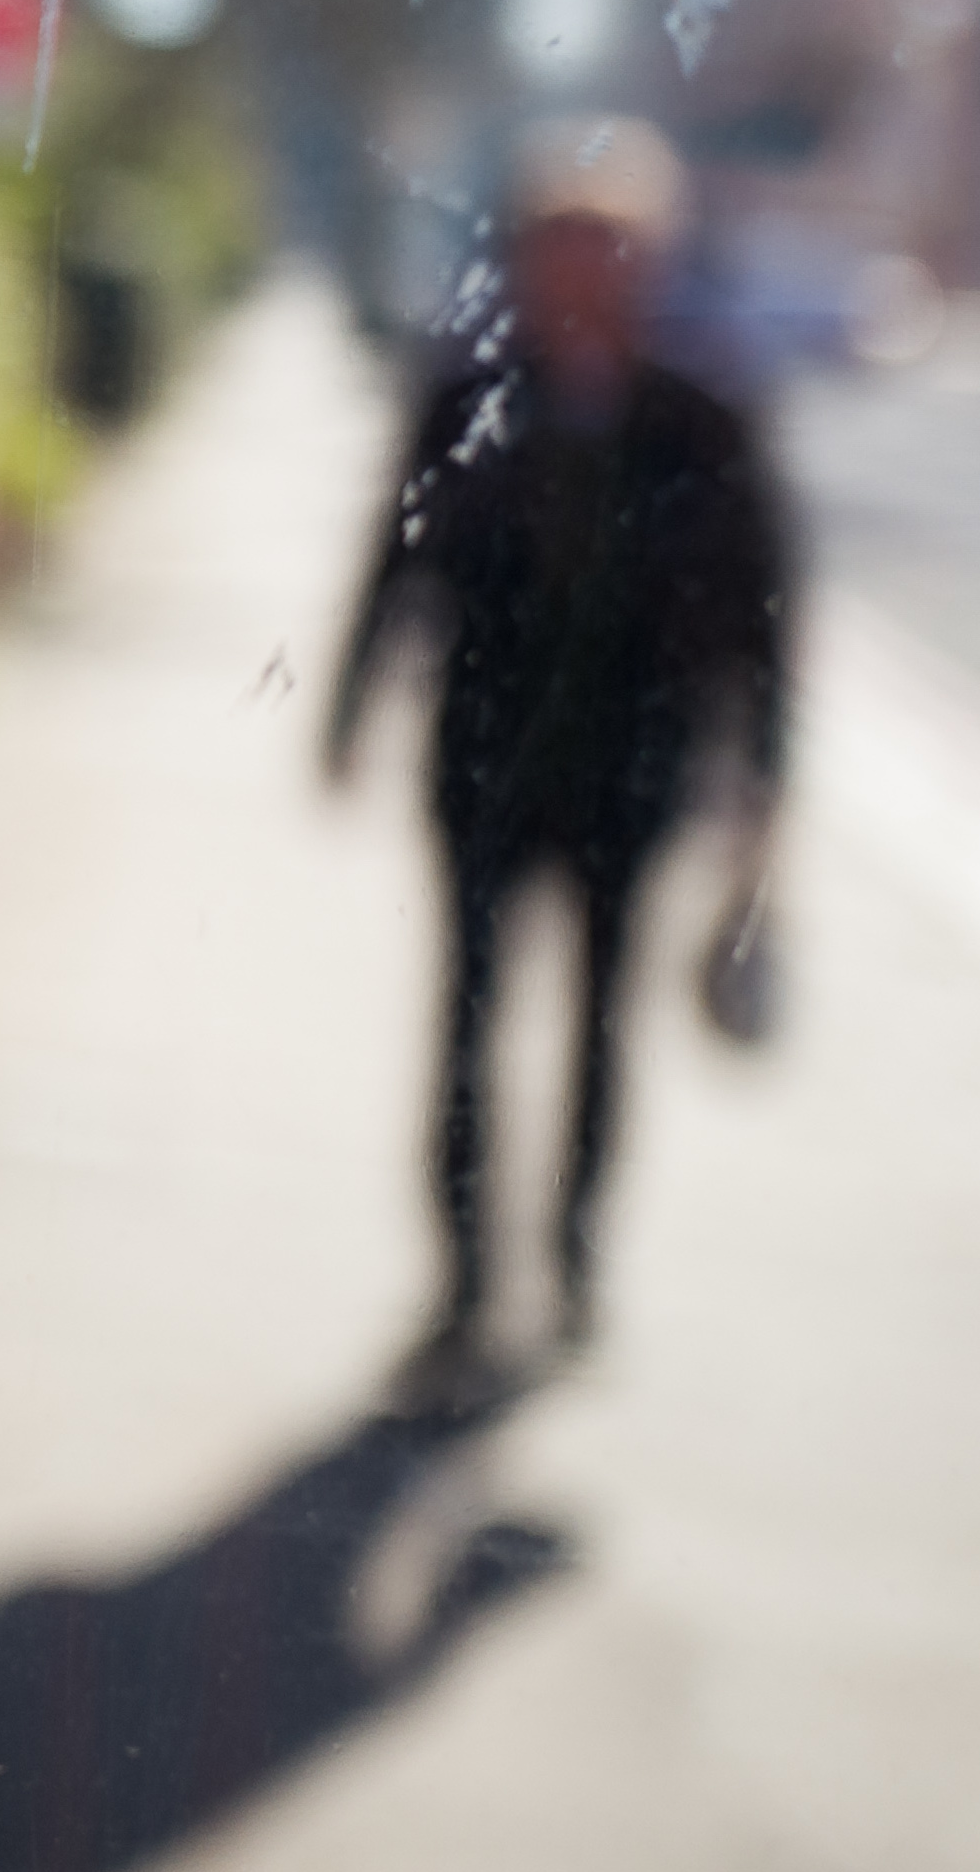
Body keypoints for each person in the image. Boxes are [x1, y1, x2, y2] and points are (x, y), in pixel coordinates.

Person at [326, 116, 791, 1387]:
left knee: (597, 1021)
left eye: (610, 245)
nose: (582, 272)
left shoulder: (704, 411)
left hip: (631, 774)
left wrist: (765, 775)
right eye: (559, 243)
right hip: (481, 758)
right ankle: (465, 1276)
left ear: (648, 260)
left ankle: (575, 1260)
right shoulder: (469, 388)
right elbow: (398, 551)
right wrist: (349, 706)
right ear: (525, 255)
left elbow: (764, 603)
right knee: (467, 1015)